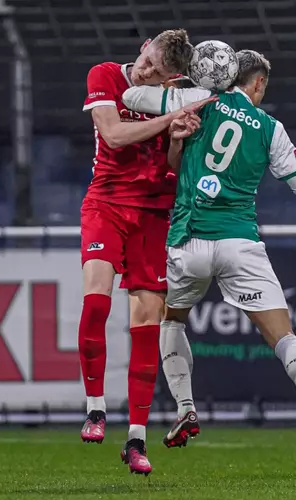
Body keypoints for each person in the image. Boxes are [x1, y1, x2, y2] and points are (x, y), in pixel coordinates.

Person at [121, 50, 296, 466]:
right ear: (258, 83)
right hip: (240, 243)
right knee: (283, 337)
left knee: (171, 321)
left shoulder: (200, 102)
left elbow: (133, 98)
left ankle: (186, 408)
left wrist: (177, 90)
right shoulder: (270, 128)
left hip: (188, 239)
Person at [79, 28, 214, 476]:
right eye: (149, 60)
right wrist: (170, 117)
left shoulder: (172, 100)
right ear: (143, 48)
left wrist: (179, 136)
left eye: (158, 72)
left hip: (156, 214)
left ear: (172, 78)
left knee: (145, 326)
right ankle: (96, 408)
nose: (147, 70)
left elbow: (175, 168)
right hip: (106, 204)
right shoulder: (104, 74)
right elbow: (114, 136)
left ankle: (135, 439)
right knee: (96, 302)